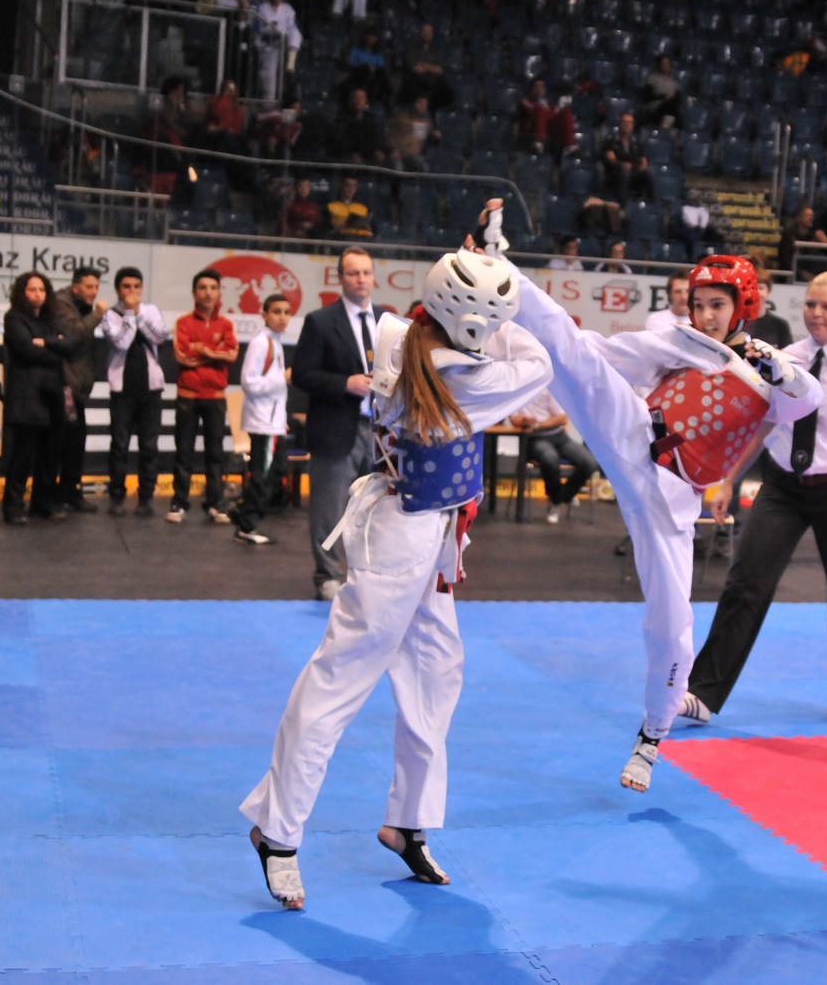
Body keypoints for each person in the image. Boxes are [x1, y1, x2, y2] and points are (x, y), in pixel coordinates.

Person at [240, 249, 553, 909]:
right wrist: (506, 282)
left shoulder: (398, 335)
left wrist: (478, 270)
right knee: (340, 677)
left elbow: (463, 328)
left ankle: (407, 821)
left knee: (436, 672)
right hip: (402, 538)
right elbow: (538, 362)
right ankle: (278, 830)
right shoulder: (463, 375)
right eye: (490, 319)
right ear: (472, 324)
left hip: (424, 529)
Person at [502, 219, 821, 791]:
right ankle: (497, 268)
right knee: (573, 353)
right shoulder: (681, 340)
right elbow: (603, 352)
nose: (706, 315)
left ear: (744, 306)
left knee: (672, 624)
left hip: (672, 503)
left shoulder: (770, 371)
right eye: (699, 304)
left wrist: (782, 370)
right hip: (633, 439)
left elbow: (806, 401)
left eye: (717, 304)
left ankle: (652, 735)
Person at [681, 272, 827, 729]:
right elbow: (762, 426)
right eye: (811, 305)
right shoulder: (784, 359)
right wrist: (728, 480)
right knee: (745, 583)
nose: (816, 314)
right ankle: (703, 693)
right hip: (783, 486)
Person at [295, 247, 384, 598]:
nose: (361, 279)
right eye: (353, 273)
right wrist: (344, 383)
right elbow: (302, 374)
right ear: (340, 278)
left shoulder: (387, 321)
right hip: (335, 427)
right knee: (328, 510)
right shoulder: (320, 321)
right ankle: (328, 576)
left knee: (378, 511)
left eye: (366, 272)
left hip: (380, 431)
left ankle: (372, 577)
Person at [168, 269, 239, 525]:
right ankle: (179, 503)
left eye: (213, 288)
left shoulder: (226, 324)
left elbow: (232, 355)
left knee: (215, 453)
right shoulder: (183, 323)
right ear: (194, 293)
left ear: (219, 292)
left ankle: (215, 503)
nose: (208, 293)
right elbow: (182, 357)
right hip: (187, 396)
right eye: (202, 288)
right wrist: (215, 353)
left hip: (216, 397)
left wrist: (200, 349)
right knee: (183, 452)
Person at [100, 267, 170, 517]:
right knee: (120, 446)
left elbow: (159, 337)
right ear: (118, 289)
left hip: (150, 389)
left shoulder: (151, 310)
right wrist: (130, 313)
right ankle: (117, 496)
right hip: (123, 390)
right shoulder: (110, 315)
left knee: (149, 446)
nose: (132, 291)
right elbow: (122, 341)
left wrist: (138, 313)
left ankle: (146, 497)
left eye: (136, 286)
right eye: (127, 286)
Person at [0, 272, 65, 525]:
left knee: (50, 453)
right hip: (26, 395)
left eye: (42, 289)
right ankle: (13, 506)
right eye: (32, 290)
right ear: (22, 293)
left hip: (52, 395)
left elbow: (67, 348)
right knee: (23, 454)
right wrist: (53, 346)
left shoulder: (51, 319)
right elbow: (26, 350)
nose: (38, 294)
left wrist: (45, 344)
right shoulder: (14, 318)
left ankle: (42, 503)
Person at [43, 266, 107, 515]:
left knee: (76, 438)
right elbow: (73, 336)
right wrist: (98, 314)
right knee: (62, 439)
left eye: (96, 287)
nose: (94, 292)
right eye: (89, 287)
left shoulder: (82, 306)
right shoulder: (61, 303)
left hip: (77, 385)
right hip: (63, 383)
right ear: (75, 286)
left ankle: (70, 490)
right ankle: (54, 494)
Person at [230, 294, 292, 545]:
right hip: (264, 421)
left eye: (286, 312)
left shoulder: (274, 342)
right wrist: (283, 378)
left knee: (275, 472)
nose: (282, 317)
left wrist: (281, 419)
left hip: (271, 420)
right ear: (264, 314)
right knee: (263, 475)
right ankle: (246, 523)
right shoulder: (261, 343)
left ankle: (242, 512)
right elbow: (249, 382)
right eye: (277, 312)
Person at [508, 387, 601, 524]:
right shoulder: (515, 389)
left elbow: (562, 418)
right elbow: (513, 419)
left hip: (558, 436)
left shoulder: (548, 389)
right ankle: (560, 499)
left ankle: (560, 497)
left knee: (590, 463)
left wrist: (538, 425)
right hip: (534, 439)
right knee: (550, 459)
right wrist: (524, 421)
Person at [255, 0, 302, 102]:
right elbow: (258, 28)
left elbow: (291, 25)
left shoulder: (287, 9)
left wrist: (283, 32)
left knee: (295, 32)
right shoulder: (263, 8)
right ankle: (269, 103)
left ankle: (290, 64)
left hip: (284, 42)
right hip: (268, 44)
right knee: (269, 76)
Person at [746, 274, 793, 348]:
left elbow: (787, 353)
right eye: (752, 288)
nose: (756, 293)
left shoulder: (780, 325)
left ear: (768, 292)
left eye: (760, 288)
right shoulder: (737, 324)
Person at [641, 54, 681, 128]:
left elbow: (677, 98)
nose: (666, 65)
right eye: (664, 63)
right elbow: (647, 96)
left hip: (670, 106)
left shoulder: (673, 83)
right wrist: (663, 97)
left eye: (668, 63)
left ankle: (668, 127)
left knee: (675, 108)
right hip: (656, 106)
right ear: (659, 65)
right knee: (670, 105)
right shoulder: (652, 79)